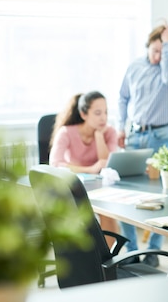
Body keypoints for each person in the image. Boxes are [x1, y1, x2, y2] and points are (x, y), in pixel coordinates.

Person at [116, 19, 168, 267]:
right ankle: (131, 250)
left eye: (164, 50)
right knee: (125, 193)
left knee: (164, 195)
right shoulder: (134, 66)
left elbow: (167, 76)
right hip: (135, 136)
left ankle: (154, 250)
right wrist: (120, 127)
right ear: (147, 46)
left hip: (162, 137)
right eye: (155, 50)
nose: (158, 56)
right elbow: (123, 97)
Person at [49, 91, 120, 244]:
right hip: (74, 187)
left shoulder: (109, 132)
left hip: (101, 188)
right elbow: (55, 164)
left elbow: (109, 162)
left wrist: (99, 137)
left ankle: (106, 261)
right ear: (83, 114)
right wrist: (90, 169)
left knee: (110, 214)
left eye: (106, 112)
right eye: (97, 113)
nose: (103, 118)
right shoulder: (66, 133)